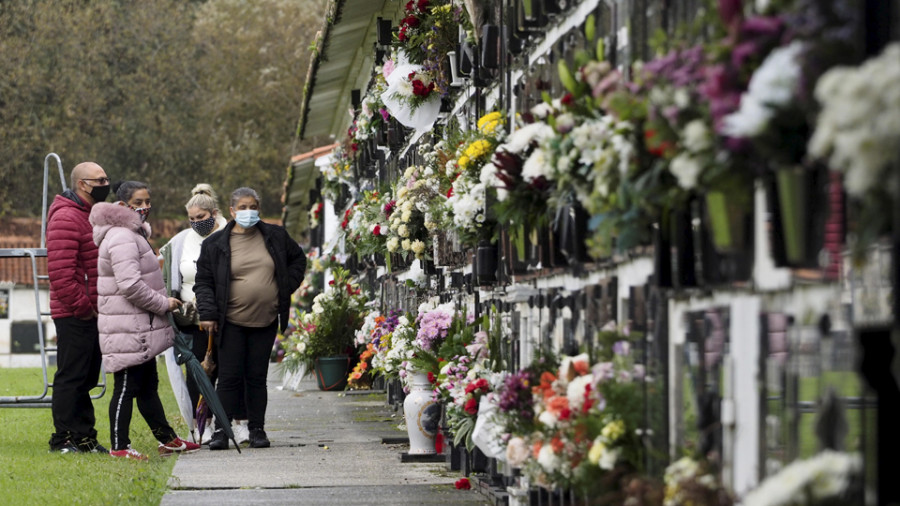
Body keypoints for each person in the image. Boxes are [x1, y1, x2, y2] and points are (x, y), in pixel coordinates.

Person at [90, 180, 201, 460]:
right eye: (138, 203)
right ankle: (119, 447)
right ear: (122, 206)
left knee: (148, 386)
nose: (145, 207)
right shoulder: (122, 237)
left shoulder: (133, 234)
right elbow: (130, 286)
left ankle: (168, 440)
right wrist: (164, 303)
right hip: (128, 327)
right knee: (126, 387)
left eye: (147, 201)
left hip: (139, 326)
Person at [194, 187, 306, 450]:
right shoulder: (215, 244)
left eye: (252, 206)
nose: (248, 212)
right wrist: (208, 313)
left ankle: (256, 429)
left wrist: (283, 286)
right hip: (230, 320)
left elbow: (298, 261)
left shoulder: (275, 236)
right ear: (232, 211)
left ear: (260, 209)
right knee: (230, 377)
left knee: (256, 377)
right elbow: (204, 282)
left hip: (265, 320)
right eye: (242, 207)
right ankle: (222, 430)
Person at [160, 183, 249, 445]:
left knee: (233, 370)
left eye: (201, 217)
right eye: (192, 219)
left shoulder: (231, 234)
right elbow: (164, 265)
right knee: (199, 372)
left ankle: (239, 422)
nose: (197, 223)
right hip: (193, 318)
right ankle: (203, 424)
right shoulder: (181, 241)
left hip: (228, 314)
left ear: (214, 212)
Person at [47, 161, 111, 454]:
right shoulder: (66, 218)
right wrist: (84, 307)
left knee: (85, 378)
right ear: (82, 184)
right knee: (71, 376)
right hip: (75, 313)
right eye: (100, 180)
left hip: (93, 311)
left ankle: (84, 437)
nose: (105, 184)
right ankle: (62, 439)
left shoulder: (90, 216)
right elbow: (60, 273)